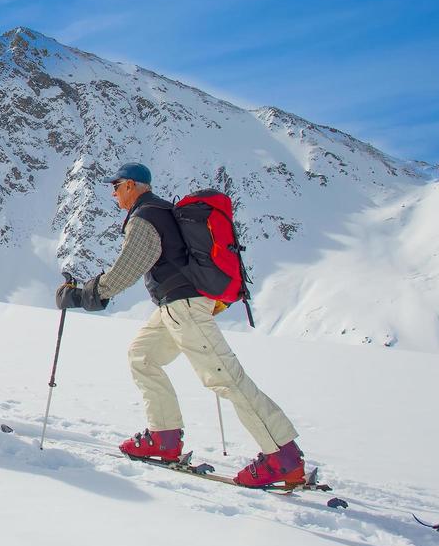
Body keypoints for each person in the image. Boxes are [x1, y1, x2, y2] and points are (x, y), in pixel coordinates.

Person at [57, 162, 306, 487]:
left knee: (226, 379)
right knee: (142, 356)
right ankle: (164, 438)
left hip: (184, 307)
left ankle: (281, 456)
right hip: (173, 307)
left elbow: (125, 272)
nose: (113, 192)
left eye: (116, 185)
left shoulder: (146, 217)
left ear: (132, 185)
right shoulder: (161, 211)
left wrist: (80, 296)